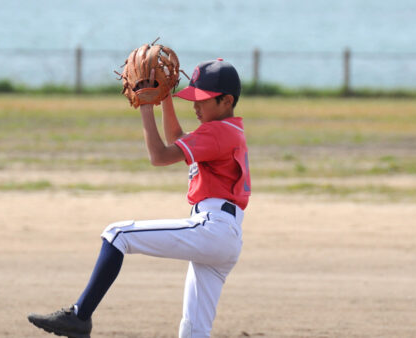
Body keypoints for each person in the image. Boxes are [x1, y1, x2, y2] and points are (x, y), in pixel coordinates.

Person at [27, 58, 251, 338]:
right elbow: (177, 138)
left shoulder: (217, 132)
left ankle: (79, 316)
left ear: (227, 101)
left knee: (117, 234)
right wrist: (165, 97)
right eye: (192, 98)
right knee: (194, 332)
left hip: (213, 228)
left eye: (203, 100)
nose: (195, 106)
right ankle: (79, 317)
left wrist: (146, 107)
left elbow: (159, 155)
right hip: (223, 235)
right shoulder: (227, 131)